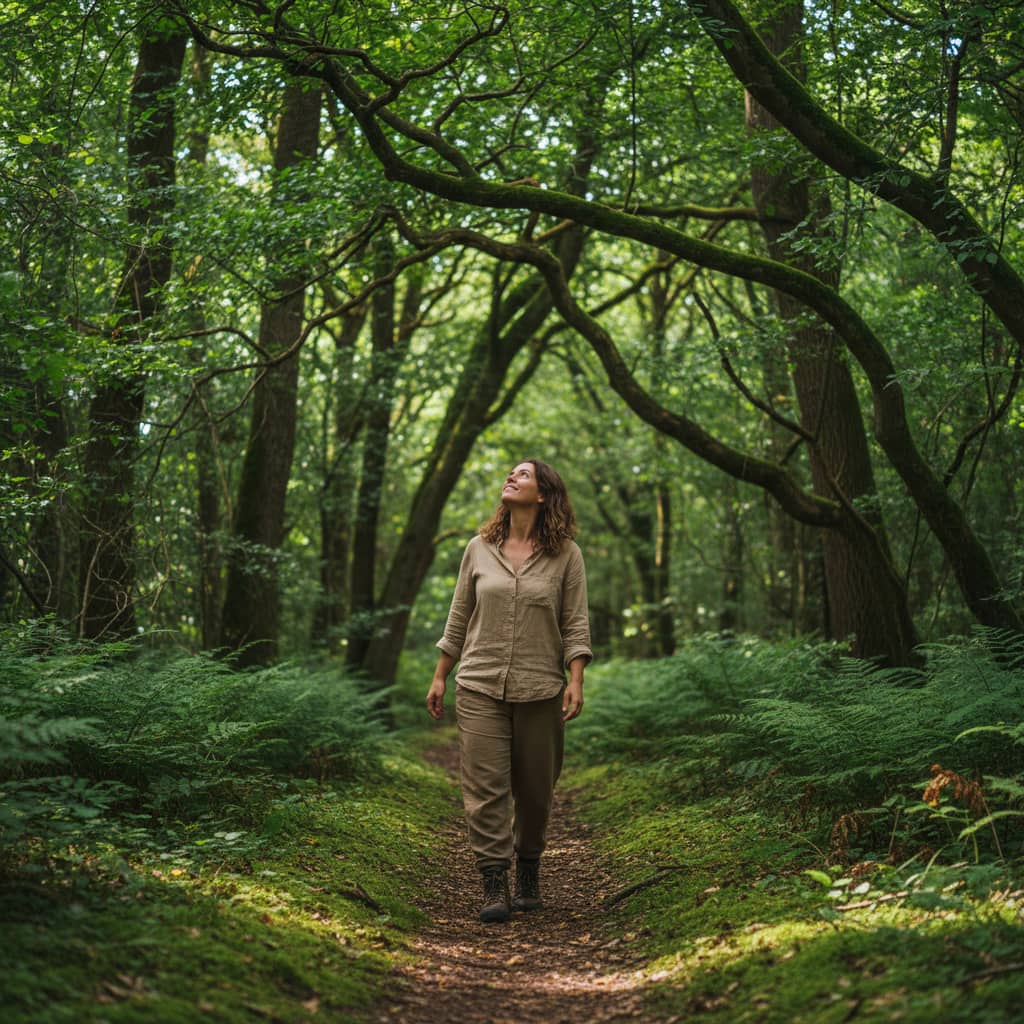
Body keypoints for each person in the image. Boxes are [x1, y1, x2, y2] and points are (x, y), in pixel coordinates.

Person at [426, 459, 592, 923]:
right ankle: (494, 879)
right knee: (485, 788)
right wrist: (441, 673)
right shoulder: (479, 549)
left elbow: (575, 622)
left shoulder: (567, 555)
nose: (511, 477)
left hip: (540, 687)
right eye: (511, 473)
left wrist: (575, 679)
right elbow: (459, 616)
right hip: (478, 683)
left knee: (536, 790)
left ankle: (529, 870)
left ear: (543, 495)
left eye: (524, 474)